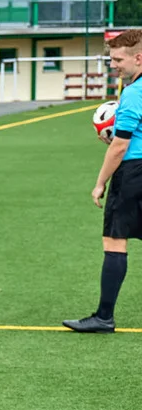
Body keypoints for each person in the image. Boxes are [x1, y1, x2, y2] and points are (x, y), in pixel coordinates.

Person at [66, 29, 142, 332]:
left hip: (133, 173)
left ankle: (103, 317)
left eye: (118, 60)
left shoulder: (133, 93)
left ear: (138, 58)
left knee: (115, 240)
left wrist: (100, 183)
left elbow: (120, 145)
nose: (113, 65)